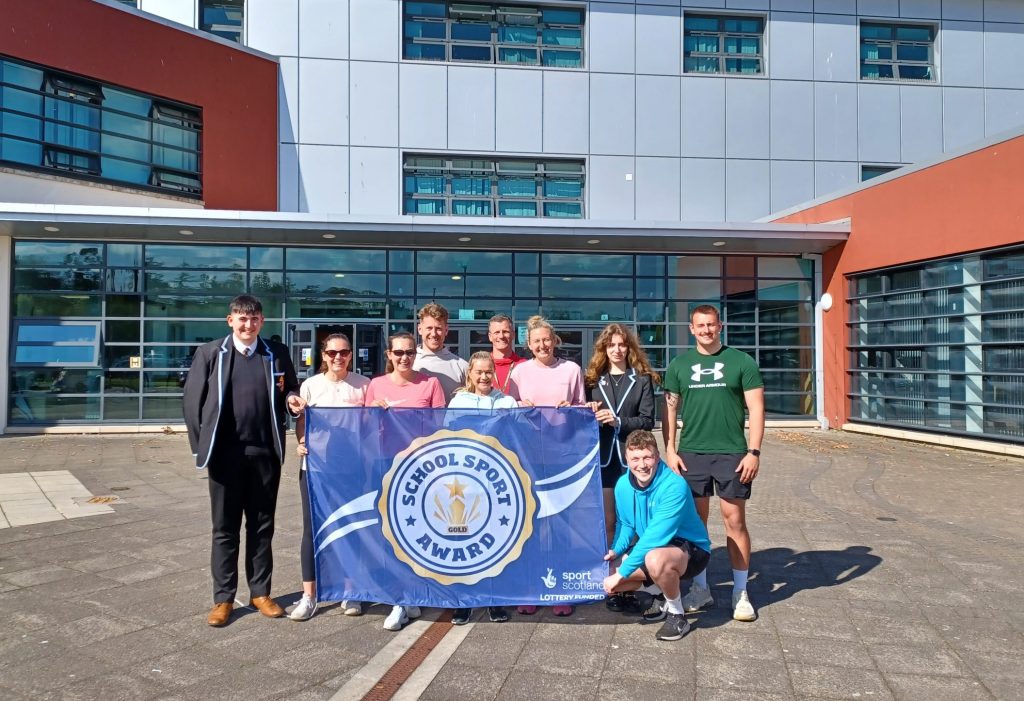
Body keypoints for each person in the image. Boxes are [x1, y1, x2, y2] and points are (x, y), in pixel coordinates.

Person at [183, 294, 306, 627]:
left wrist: (292, 399)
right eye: (242, 318)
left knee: (262, 526)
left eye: (254, 319)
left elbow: (290, 388)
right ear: (231, 321)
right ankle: (223, 599)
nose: (248, 325)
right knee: (225, 528)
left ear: (262, 322)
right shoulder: (210, 353)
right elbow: (192, 403)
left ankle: (260, 593)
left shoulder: (275, 353)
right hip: (225, 457)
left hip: (265, 454)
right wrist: (200, 448)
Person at [662, 304, 764, 622]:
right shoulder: (679, 365)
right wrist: (670, 449)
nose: (706, 330)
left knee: (735, 522)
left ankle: (740, 592)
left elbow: (757, 408)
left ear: (720, 326)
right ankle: (701, 588)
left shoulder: (742, 361)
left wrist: (754, 452)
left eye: (711, 324)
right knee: (696, 524)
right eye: (700, 325)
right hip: (691, 454)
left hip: (732, 453)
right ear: (691, 329)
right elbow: (669, 411)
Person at [364, 331, 446, 630]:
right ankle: (401, 596)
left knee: (418, 532)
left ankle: (408, 595)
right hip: (387, 466)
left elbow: (441, 427)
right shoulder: (376, 385)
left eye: (410, 352)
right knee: (391, 532)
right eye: (398, 352)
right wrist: (373, 414)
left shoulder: (430, 383)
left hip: (420, 468)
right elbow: (363, 427)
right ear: (389, 354)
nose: (404, 358)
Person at [507, 315, 586, 616]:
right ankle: (530, 588)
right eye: (536, 341)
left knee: (560, 526)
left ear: (555, 341)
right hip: (527, 459)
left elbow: (583, 410)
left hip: (561, 457)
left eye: (546, 339)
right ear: (528, 344)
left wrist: (573, 409)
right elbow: (506, 411)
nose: (542, 345)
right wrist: (519, 406)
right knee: (530, 526)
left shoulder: (571, 370)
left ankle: (560, 588)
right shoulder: (519, 372)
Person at [603, 430, 711, 642]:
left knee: (653, 561)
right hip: (653, 548)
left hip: (691, 550)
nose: (642, 465)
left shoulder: (675, 485)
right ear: (627, 459)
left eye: (647, 457)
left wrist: (622, 572)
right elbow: (626, 525)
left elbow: (654, 538)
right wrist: (615, 550)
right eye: (635, 458)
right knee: (606, 574)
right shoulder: (623, 485)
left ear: (657, 456)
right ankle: (660, 595)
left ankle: (677, 615)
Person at [291, 333, 370, 621]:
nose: (338, 357)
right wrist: (301, 441)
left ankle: (351, 590)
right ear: (323, 355)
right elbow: (302, 422)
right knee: (312, 531)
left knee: (353, 529)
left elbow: (372, 425)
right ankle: (310, 595)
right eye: (332, 352)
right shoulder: (311, 385)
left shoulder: (364, 385)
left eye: (344, 352)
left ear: (351, 354)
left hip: (352, 469)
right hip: (316, 469)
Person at [584, 323, 658, 612]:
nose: (617, 350)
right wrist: (588, 412)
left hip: (633, 462)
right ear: (603, 348)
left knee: (636, 524)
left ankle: (633, 583)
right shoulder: (592, 380)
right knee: (609, 523)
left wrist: (618, 422)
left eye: (622, 344)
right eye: (611, 345)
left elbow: (648, 420)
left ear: (629, 348)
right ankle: (612, 583)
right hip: (604, 460)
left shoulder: (642, 379)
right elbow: (580, 416)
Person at [447, 351, 516, 625]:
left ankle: (494, 599)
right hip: (465, 482)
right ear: (470, 374)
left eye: (489, 371)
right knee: (463, 540)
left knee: (495, 541)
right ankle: (464, 601)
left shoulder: (508, 402)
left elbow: (518, 436)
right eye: (479, 372)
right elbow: (447, 436)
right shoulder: (458, 402)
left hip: (497, 482)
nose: (485, 376)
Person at [412, 302, 468, 398]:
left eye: (438, 328)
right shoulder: (409, 363)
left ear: (446, 330)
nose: (434, 334)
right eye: (429, 328)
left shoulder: (462, 367)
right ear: (420, 329)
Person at [487, 314, 525, 395]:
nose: (501, 336)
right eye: (497, 332)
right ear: (490, 337)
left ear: (513, 334)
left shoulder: (524, 366)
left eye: (505, 332)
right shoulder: (482, 365)